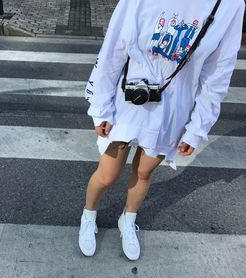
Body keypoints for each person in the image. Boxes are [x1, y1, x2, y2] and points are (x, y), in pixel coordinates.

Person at [79, 0, 245, 260]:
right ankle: (88, 215)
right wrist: (101, 107)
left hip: (172, 109)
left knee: (144, 171)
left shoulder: (230, 5)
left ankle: (128, 219)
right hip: (129, 97)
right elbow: (114, 47)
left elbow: (218, 73)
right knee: (108, 174)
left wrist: (197, 127)